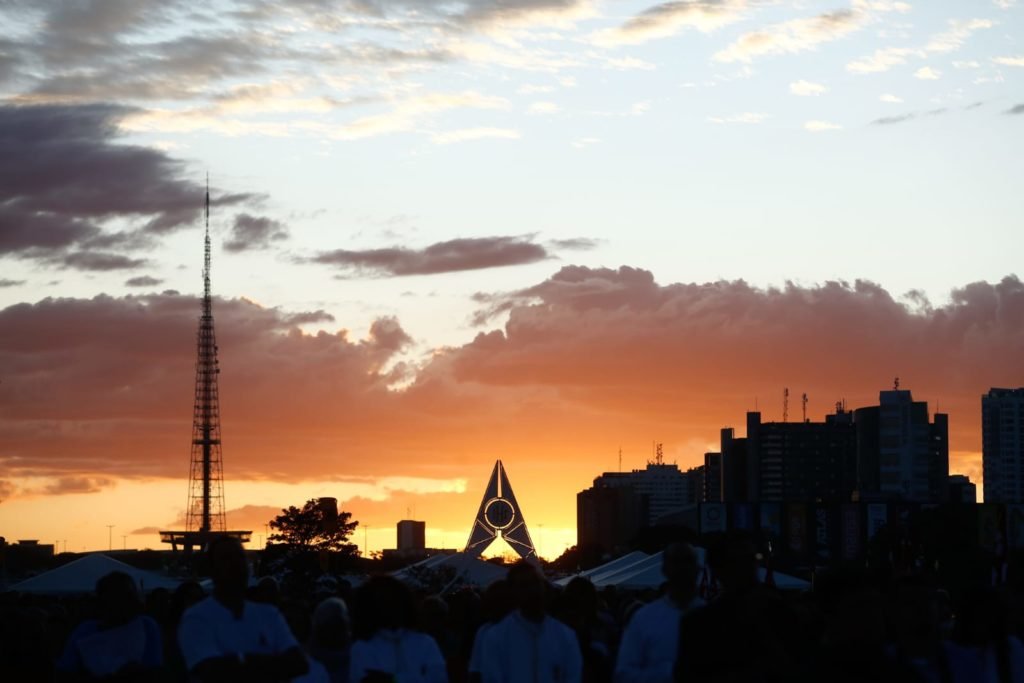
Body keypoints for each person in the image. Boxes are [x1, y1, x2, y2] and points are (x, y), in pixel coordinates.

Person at [177, 535, 309, 682]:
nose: (236, 564)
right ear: (211, 568)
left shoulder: (269, 614)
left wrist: (237, 660)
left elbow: (299, 664)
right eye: (226, 558)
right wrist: (271, 661)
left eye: (240, 557)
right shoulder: (196, 618)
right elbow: (210, 671)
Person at [478, 560, 582, 683]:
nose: (533, 590)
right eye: (524, 585)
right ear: (513, 591)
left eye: (536, 583)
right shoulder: (496, 637)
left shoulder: (565, 636)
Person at [614, 543, 702, 683]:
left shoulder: (713, 616)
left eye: (687, 561)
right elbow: (624, 673)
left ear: (697, 569)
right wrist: (665, 673)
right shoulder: (644, 618)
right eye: (676, 562)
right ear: (665, 569)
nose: (682, 569)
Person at [55, 570, 164, 681]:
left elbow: (154, 671)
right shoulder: (85, 630)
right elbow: (65, 671)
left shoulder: (147, 626)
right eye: (118, 597)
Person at [349, 575, 447, 683]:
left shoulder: (425, 643)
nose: (388, 609)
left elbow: (439, 678)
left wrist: (393, 679)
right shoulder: (362, 648)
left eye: (392, 601)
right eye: (382, 602)